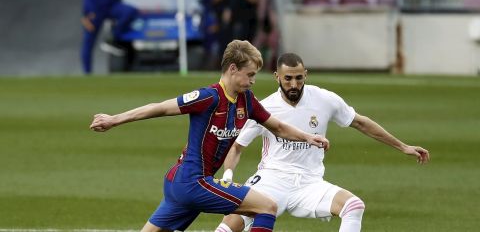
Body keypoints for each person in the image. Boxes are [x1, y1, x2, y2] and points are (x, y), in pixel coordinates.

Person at [89, 41, 330, 232]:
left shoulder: (246, 99)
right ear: (233, 69)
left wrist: (307, 137)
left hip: (181, 184)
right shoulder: (209, 97)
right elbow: (161, 107)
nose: (253, 81)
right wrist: (114, 119)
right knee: (267, 206)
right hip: (192, 183)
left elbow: (276, 126)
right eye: (250, 74)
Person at [214, 53, 430, 232]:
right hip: (272, 179)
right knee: (231, 223)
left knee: (354, 206)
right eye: (288, 78)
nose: (294, 84)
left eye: (299, 78)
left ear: (306, 75)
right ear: (276, 77)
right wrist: (228, 174)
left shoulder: (324, 99)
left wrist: (403, 146)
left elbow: (360, 123)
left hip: (309, 182)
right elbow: (237, 146)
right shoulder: (264, 107)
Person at [78, 0, 139, 74]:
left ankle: (114, 37)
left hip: (113, 5)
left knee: (129, 11)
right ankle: (87, 73)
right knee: (89, 40)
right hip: (94, 8)